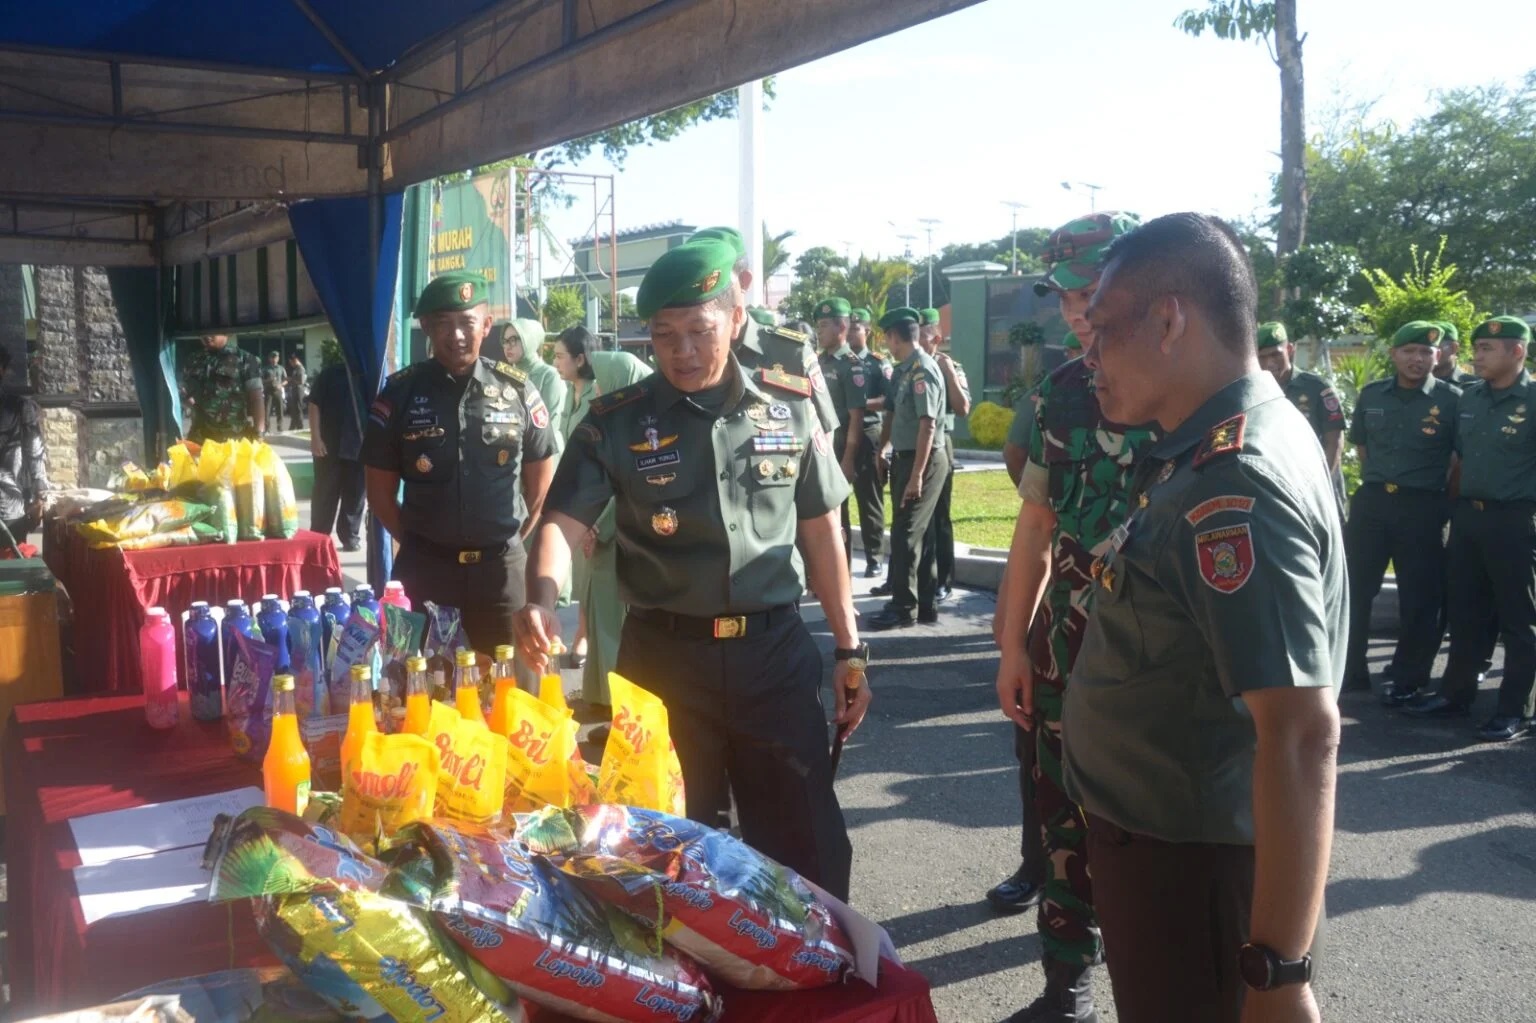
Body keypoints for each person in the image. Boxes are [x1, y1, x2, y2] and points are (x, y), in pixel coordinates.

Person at [514, 239, 868, 900]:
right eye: (664, 336)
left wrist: (850, 647)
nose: (681, 351)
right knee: (667, 848)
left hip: (773, 656)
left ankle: (819, 986)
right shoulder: (617, 423)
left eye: (699, 331)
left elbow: (821, 532)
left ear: (736, 319)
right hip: (664, 666)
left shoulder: (787, 406)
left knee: (806, 843)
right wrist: (540, 595)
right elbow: (562, 523)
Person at [1063, 212, 1342, 1023]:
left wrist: (1279, 971)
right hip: (1174, 855)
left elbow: (1300, 730)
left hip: (1193, 877)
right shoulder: (1211, 446)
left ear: (1169, 319)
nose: (1088, 359)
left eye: (1101, 331)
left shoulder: (1234, 480)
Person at [992, 212, 1152, 1022]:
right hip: (1067, 646)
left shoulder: (1181, 385)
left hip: (1162, 657)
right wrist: (1011, 643)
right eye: (1067, 297)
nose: (1081, 311)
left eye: (1095, 291)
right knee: (1063, 824)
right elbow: (1034, 526)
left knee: (1158, 837)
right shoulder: (1060, 393)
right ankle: (1067, 985)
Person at [361, 271, 558, 655]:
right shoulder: (400, 394)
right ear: (426, 328)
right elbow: (379, 495)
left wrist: (507, 539)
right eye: (444, 324)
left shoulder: (518, 390)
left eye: (467, 323)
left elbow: (540, 489)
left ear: (486, 325)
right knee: (418, 694)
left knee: (510, 696)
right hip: (425, 573)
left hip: (501, 575)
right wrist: (423, 543)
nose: (457, 335)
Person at [1406, 316, 1536, 742]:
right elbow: (1460, 458)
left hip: (1515, 520)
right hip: (1469, 517)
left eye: (1487, 349)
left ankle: (1515, 708)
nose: (1476, 356)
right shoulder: (1471, 398)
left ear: (1517, 351)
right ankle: (1455, 694)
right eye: (1476, 347)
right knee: (1464, 610)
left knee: (1519, 620)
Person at [1339, 321, 1460, 704]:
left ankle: (1409, 678)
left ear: (1437, 356)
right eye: (1409, 351)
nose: (1417, 359)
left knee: (1420, 597)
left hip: (1422, 506)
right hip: (1373, 503)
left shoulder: (1453, 400)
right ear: (1393, 355)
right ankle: (1349, 671)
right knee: (1354, 590)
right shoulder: (1372, 394)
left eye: (1426, 352)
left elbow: (1458, 460)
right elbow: (1362, 448)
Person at [552, 324, 653, 708]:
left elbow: (630, 487)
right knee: (596, 615)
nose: (596, 389)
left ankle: (617, 711)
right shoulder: (613, 422)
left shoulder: (643, 430)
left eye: (603, 382)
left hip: (617, 540)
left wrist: (597, 524)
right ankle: (599, 697)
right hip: (597, 531)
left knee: (613, 625)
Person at [688, 226, 840, 434]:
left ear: (744, 281)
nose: (707, 294)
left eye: (716, 282)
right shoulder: (682, 353)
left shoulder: (791, 352)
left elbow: (824, 433)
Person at [867, 308, 948, 631]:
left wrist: (916, 475)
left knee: (905, 535)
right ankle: (924, 605)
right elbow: (894, 416)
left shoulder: (922, 370)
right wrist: (883, 449)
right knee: (919, 534)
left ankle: (903, 606)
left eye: (887, 336)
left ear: (894, 336)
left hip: (923, 460)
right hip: (905, 457)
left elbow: (928, 426)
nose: (886, 342)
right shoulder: (904, 370)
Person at [1256, 321, 1346, 506]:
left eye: (1275, 355)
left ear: (1289, 349)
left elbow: (1334, 442)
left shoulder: (1317, 388)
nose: (1269, 363)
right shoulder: (1256, 392)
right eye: (1262, 357)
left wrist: (1317, 486)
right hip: (1277, 490)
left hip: (1319, 487)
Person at [918, 310, 970, 602]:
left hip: (938, 443)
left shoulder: (947, 365)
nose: (916, 340)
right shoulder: (909, 366)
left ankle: (943, 580)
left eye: (921, 335)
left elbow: (963, 408)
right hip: (911, 444)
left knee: (939, 515)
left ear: (936, 338)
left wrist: (948, 372)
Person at [814, 297, 870, 567]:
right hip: (819, 446)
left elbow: (856, 416)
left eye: (824, 325)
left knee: (840, 514)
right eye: (818, 326)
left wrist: (848, 459)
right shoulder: (817, 361)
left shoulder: (852, 365)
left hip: (839, 449)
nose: (819, 331)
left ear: (842, 327)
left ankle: (842, 574)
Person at [306, 352, 367, 553]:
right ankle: (318, 537)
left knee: (356, 495)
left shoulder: (368, 374)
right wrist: (315, 437)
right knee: (325, 493)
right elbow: (314, 404)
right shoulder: (330, 374)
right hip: (329, 446)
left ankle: (350, 536)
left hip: (359, 446)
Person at [848, 307, 889, 578]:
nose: (851, 333)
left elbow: (889, 400)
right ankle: (840, 559)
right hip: (840, 435)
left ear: (867, 331)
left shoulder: (877, 364)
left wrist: (859, 404)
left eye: (856, 328)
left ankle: (874, 557)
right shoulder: (837, 361)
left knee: (869, 497)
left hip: (868, 433)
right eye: (848, 328)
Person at [0, 348, 50, 541]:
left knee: (11, 566)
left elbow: (34, 454)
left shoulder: (21, 408)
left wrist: (40, 498)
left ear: (2, 370)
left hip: (11, 510)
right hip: (13, 506)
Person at [180, 334, 265, 443]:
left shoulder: (245, 359)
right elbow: (185, 391)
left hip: (234, 438)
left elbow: (256, 398)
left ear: (226, 332)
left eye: (213, 330)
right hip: (200, 436)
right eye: (203, 330)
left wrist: (259, 432)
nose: (207, 335)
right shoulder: (193, 360)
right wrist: (188, 400)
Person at [503, 318, 567, 447]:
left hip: (544, 454)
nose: (508, 346)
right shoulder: (505, 374)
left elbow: (549, 426)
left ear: (529, 340)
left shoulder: (549, 376)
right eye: (505, 341)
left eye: (514, 340)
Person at [1432, 321, 1478, 388]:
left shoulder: (1473, 386)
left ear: (1454, 348)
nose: (1430, 354)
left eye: (1436, 347)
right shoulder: (1414, 383)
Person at [261, 351, 285, 430]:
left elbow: (286, 379)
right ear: (269, 359)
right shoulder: (265, 369)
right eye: (273, 357)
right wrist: (268, 380)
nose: (274, 359)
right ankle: (267, 428)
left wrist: (281, 385)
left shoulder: (281, 368)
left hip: (278, 390)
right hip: (268, 390)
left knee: (280, 409)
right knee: (267, 410)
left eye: (276, 357)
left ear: (278, 359)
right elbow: (261, 380)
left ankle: (280, 426)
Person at [284, 354, 307, 432]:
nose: (291, 364)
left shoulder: (300, 368)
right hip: (294, 390)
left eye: (291, 362)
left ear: (295, 360)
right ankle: (293, 425)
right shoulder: (296, 368)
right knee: (294, 409)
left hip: (299, 390)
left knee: (298, 408)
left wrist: (290, 379)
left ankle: (300, 426)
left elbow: (301, 381)